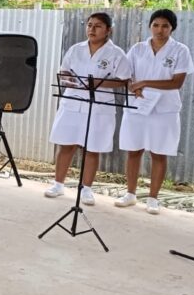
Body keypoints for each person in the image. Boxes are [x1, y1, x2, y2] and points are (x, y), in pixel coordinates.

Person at [44, 12, 130, 205]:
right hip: (73, 102)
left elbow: (123, 80)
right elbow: (64, 71)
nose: (92, 29)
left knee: (92, 148)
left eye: (98, 26)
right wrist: (68, 79)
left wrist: (98, 83)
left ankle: (86, 189)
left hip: (99, 106)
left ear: (108, 30)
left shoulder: (116, 53)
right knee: (66, 144)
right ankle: (58, 184)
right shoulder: (76, 49)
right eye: (89, 25)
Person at [114, 9, 194, 215]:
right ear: (150, 26)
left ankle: (153, 198)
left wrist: (145, 82)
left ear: (172, 28)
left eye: (165, 26)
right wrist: (134, 87)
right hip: (138, 104)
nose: (160, 30)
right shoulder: (138, 49)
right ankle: (130, 194)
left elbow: (176, 82)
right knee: (134, 150)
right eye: (156, 25)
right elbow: (126, 75)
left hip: (164, 109)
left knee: (159, 153)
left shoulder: (180, 50)